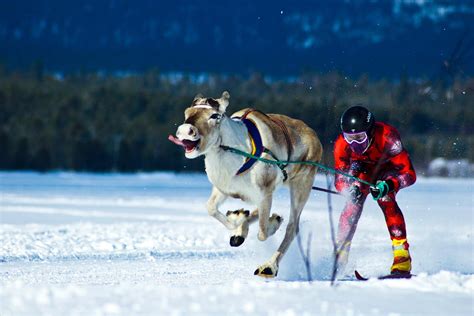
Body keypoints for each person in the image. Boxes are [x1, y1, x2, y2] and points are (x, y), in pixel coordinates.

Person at [333, 105, 416, 276]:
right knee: (352, 203)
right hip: (361, 170)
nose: (354, 144)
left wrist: (389, 185)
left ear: (370, 132)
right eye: (350, 138)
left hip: (387, 169)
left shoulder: (388, 137)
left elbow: (409, 174)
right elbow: (339, 179)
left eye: (359, 138)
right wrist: (349, 191)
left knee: (385, 199)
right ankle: (340, 256)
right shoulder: (341, 145)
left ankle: (402, 257)